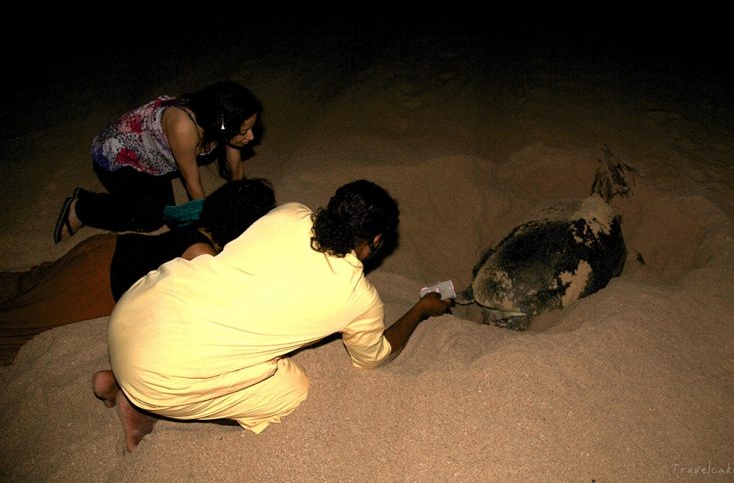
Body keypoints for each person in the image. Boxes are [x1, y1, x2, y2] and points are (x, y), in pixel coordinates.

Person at [92, 179, 453, 452]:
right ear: (375, 242)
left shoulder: (290, 212)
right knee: (292, 392)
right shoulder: (357, 298)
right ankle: (141, 404)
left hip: (137, 306)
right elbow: (374, 358)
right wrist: (420, 310)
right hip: (158, 377)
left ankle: (122, 376)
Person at [1, 179, 276, 366]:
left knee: (27, 285)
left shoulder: (201, 228)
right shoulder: (202, 254)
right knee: (15, 326)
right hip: (97, 281)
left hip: (106, 248)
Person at [53, 80, 263, 243]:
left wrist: (239, 211)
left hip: (152, 162)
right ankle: (81, 209)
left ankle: (95, 198)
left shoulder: (221, 119)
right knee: (151, 219)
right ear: (223, 125)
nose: (252, 137)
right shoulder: (184, 128)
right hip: (118, 158)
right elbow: (193, 185)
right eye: (244, 131)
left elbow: (235, 170)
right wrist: (212, 229)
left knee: (165, 211)